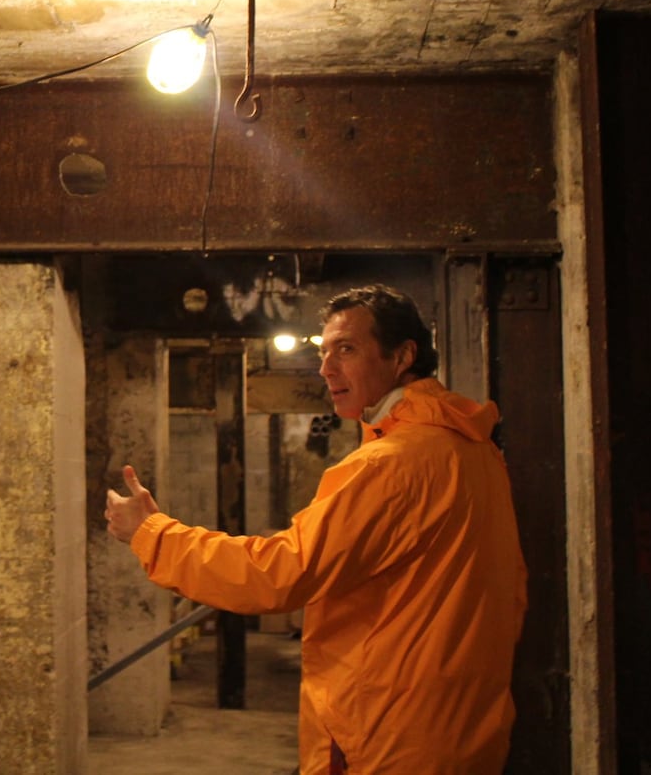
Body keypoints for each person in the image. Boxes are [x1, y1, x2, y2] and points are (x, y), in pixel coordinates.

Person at [105, 284, 527, 775]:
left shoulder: (392, 463)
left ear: (402, 356)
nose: (326, 368)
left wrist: (151, 533)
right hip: (460, 724)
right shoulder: (472, 451)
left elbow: (281, 573)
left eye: (346, 349)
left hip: (393, 736)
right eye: (322, 351)